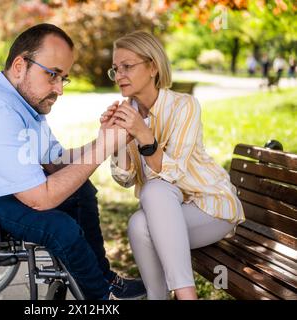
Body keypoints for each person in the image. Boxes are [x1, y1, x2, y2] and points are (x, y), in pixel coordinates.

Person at [0, 23, 146, 300]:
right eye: (53, 75)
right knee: (59, 227)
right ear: (20, 66)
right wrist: (104, 148)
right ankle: (101, 300)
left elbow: (57, 161)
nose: (60, 89)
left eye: (63, 78)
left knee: (80, 192)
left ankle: (104, 280)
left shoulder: (22, 103)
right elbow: (40, 199)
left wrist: (104, 139)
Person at [100, 31, 245, 300]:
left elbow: (173, 173)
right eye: (115, 69)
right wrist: (115, 139)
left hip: (211, 208)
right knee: (137, 223)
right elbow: (125, 177)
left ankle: (185, 296)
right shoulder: (129, 112)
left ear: (153, 66)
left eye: (127, 66)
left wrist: (143, 133)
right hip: (167, 213)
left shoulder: (185, 106)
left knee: (154, 190)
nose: (119, 75)